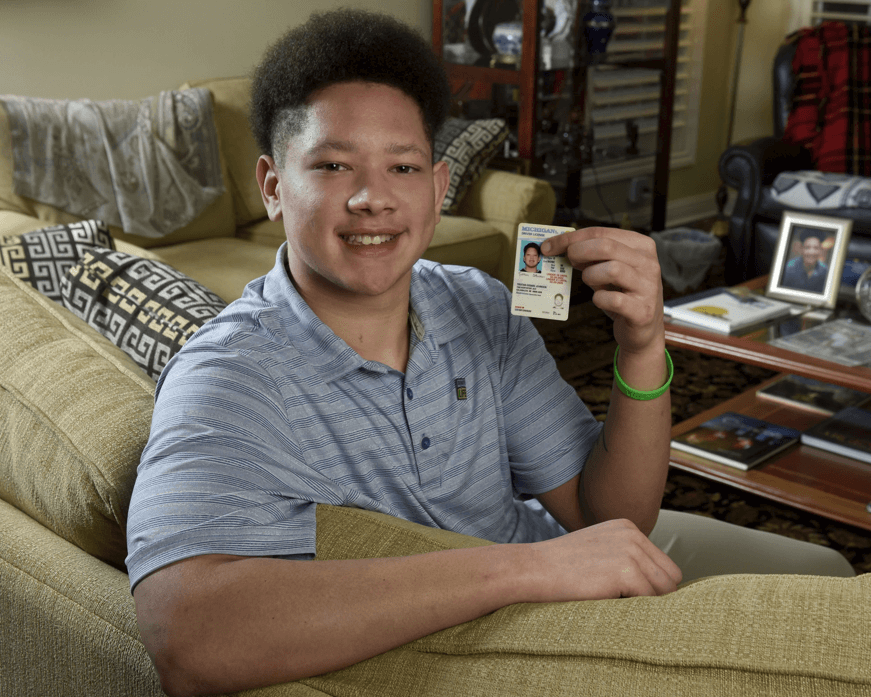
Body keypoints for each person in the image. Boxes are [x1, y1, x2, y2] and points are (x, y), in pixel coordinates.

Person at [126, 10, 853, 697]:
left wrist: (639, 347)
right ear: (273, 187)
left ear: (439, 190)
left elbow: (610, 512)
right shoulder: (229, 373)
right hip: (514, 628)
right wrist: (528, 568)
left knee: (824, 569)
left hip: (556, 562)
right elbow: (184, 633)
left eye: (403, 168)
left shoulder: (473, 300)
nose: (373, 198)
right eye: (333, 166)